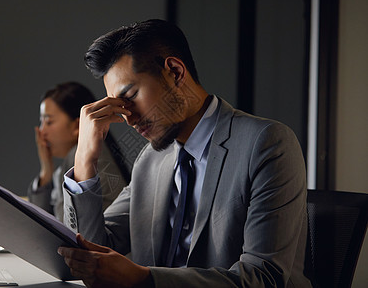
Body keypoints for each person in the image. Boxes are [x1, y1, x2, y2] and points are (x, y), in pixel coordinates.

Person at [57, 19, 312, 288]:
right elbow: (90, 253)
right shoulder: (150, 161)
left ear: (176, 72)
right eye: (120, 105)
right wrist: (85, 159)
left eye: (131, 95)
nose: (129, 118)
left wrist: (145, 278)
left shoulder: (267, 144)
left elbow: (263, 278)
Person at [28, 82, 127, 222]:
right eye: (41, 122)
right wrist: (46, 170)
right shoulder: (70, 162)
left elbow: (59, 226)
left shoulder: (88, 158)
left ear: (77, 126)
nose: (42, 131)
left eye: (49, 122)